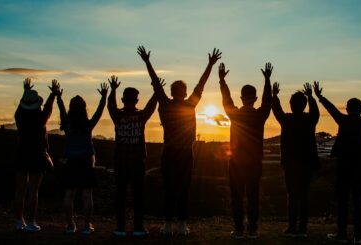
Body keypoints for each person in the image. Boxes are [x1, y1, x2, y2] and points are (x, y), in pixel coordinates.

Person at [138, 46, 222, 235]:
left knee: (168, 188)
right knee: (184, 188)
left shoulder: (165, 104)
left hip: (169, 152)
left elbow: (155, 83)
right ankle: (182, 225)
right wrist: (210, 64)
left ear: (172, 91)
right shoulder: (189, 104)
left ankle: (168, 225)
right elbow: (201, 84)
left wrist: (147, 62)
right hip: (185, 153)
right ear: (184, 93)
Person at [315, 84, 361, 244]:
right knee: (358, 202)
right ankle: (358, 235)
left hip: (343, 167)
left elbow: (332, 109)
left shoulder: (343, 120)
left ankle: (342, 234)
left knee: (342, 201)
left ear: (348, 109)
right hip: (360, 168)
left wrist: (320, 97)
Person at [219, 62, 272, 239]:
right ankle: (253, 229)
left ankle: (239, 229)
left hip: (236, 161)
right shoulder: (260, 115)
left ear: (241, 98)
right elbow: (268, 101)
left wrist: (222, 81)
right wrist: (267, 80)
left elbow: (226, 100)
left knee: (237, 196)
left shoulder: (234, 114)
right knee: (253, 196)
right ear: (254, 98)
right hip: (255, 162)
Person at [107, 75, 163, 237]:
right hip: (138, 162)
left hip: (120, 161)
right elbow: (151, 106)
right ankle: (138, 227)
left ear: (123, 100)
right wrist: (155, 91)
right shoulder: (141, 116)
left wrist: (112, 90)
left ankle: (120, 227)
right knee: (138, 196)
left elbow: (111, 105)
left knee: (120, 195)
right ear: (136, 101)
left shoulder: (118, 116)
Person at [56, 81, 108, 235]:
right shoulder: (87, 125)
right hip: (86, 162)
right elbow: (99, 112)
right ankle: (86, 225)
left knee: (69, 194)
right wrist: (103, 97)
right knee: (87, 195)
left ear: (72, 108)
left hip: (71, 162)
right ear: (84, 108)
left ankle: (70, 225)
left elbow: (61, 109)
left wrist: (58, 96)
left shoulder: (67, 124)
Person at [272, 82, 320, 238]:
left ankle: (292, 227)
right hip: (307, 163)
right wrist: (311, 96)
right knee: (304, 196)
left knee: (292, 195)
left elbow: (276, 110)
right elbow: (316, 112)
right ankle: (303, 228)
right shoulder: (310, 120)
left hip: (290, 164)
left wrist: (275, 95)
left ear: (291, 105)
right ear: (304, 105)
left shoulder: (286, 120)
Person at [14, 78, 59, 231]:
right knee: (33, 190)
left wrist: (25, 91)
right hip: (37, 155)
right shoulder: (40, 119)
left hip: (21, 153)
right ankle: (31, 221)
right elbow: (48, 108)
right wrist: (53, 94)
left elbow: (22, 107)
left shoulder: (19, 117)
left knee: (20, 190)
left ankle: (19, 221)